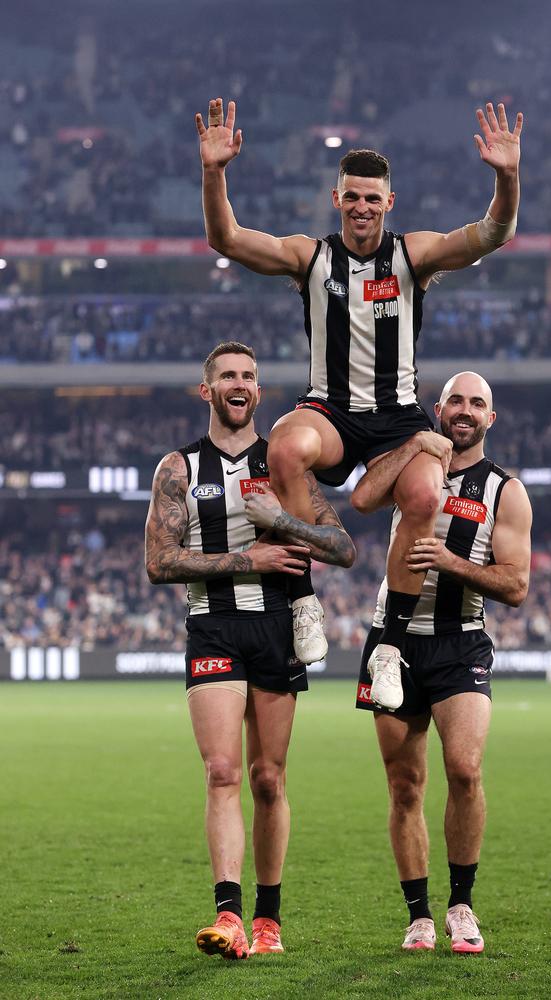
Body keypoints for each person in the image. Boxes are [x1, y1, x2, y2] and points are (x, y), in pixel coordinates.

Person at [195, 97, 523, 705]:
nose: (363, 207)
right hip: (332, 411)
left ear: (388, 203)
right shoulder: (311, 258)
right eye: (353, 196)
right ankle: (302, 602)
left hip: (399, 417)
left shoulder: (413, 256)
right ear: (336, 199)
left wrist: (506, 177)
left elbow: (492, 233)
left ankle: (391, 646)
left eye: (373, 198)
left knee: (428, 493)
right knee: (286, 448)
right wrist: (215, 171)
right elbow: (228, 238)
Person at [145, 341, 355, 961]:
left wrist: (286, 524)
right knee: (222, 772)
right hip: (212, 626)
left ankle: (268, 918)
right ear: (207, 391)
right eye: (227, 376)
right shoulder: (178, 468)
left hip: (274, 631)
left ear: (259, 393)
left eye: (249, 377)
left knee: (268, 777)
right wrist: (249, 558)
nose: (240, 384)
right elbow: (159, 561)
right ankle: (229, 914)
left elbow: (342, 548)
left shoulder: (285, 464)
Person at [354, 371, 532, 954]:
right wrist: (411, 445)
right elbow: (360, 497)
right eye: (455, 399)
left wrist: (452, 562)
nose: (465, 409)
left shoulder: (505, 489)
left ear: (490, 419)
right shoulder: (408, 468)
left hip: (460, 641)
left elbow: (515, 584)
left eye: (477, 403)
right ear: (437, 408)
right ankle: (419, 916)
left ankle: (461, 905)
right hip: (393, 641)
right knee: (405, 784)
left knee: (464, 769)